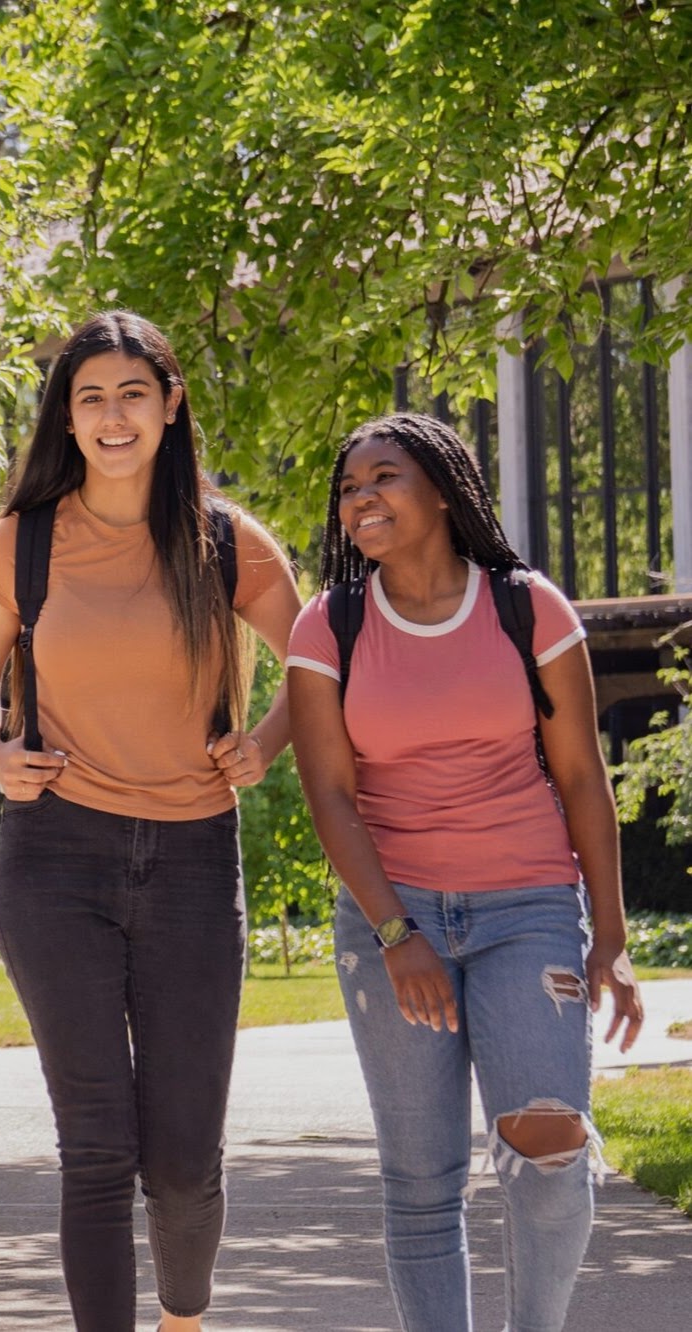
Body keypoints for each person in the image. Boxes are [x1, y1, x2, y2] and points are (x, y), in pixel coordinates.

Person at [0, 311, 301, 1332]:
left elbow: (325, 669)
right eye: (90, 397)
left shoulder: (227, 542)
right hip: (55, 858)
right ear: (67, 414)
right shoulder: (18, 544)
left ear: (169, 405)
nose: (111, 416)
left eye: (131, 394)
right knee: (96, 1145)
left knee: (184, 1163)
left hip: (193, 861)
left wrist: (266, 740)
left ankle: (183, 1320)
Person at [286, 412, 643, 1332]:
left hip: (526, 904)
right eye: (349, 487)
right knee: (418, 1176)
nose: (361, 498)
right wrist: (396, 932)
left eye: (383, 478)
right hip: (388, 914)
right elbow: (329, 793)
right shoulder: (332, 623)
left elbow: (579, 777)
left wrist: (610, 935)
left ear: (442, 489)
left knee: (549, 1142)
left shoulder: (529, 608)